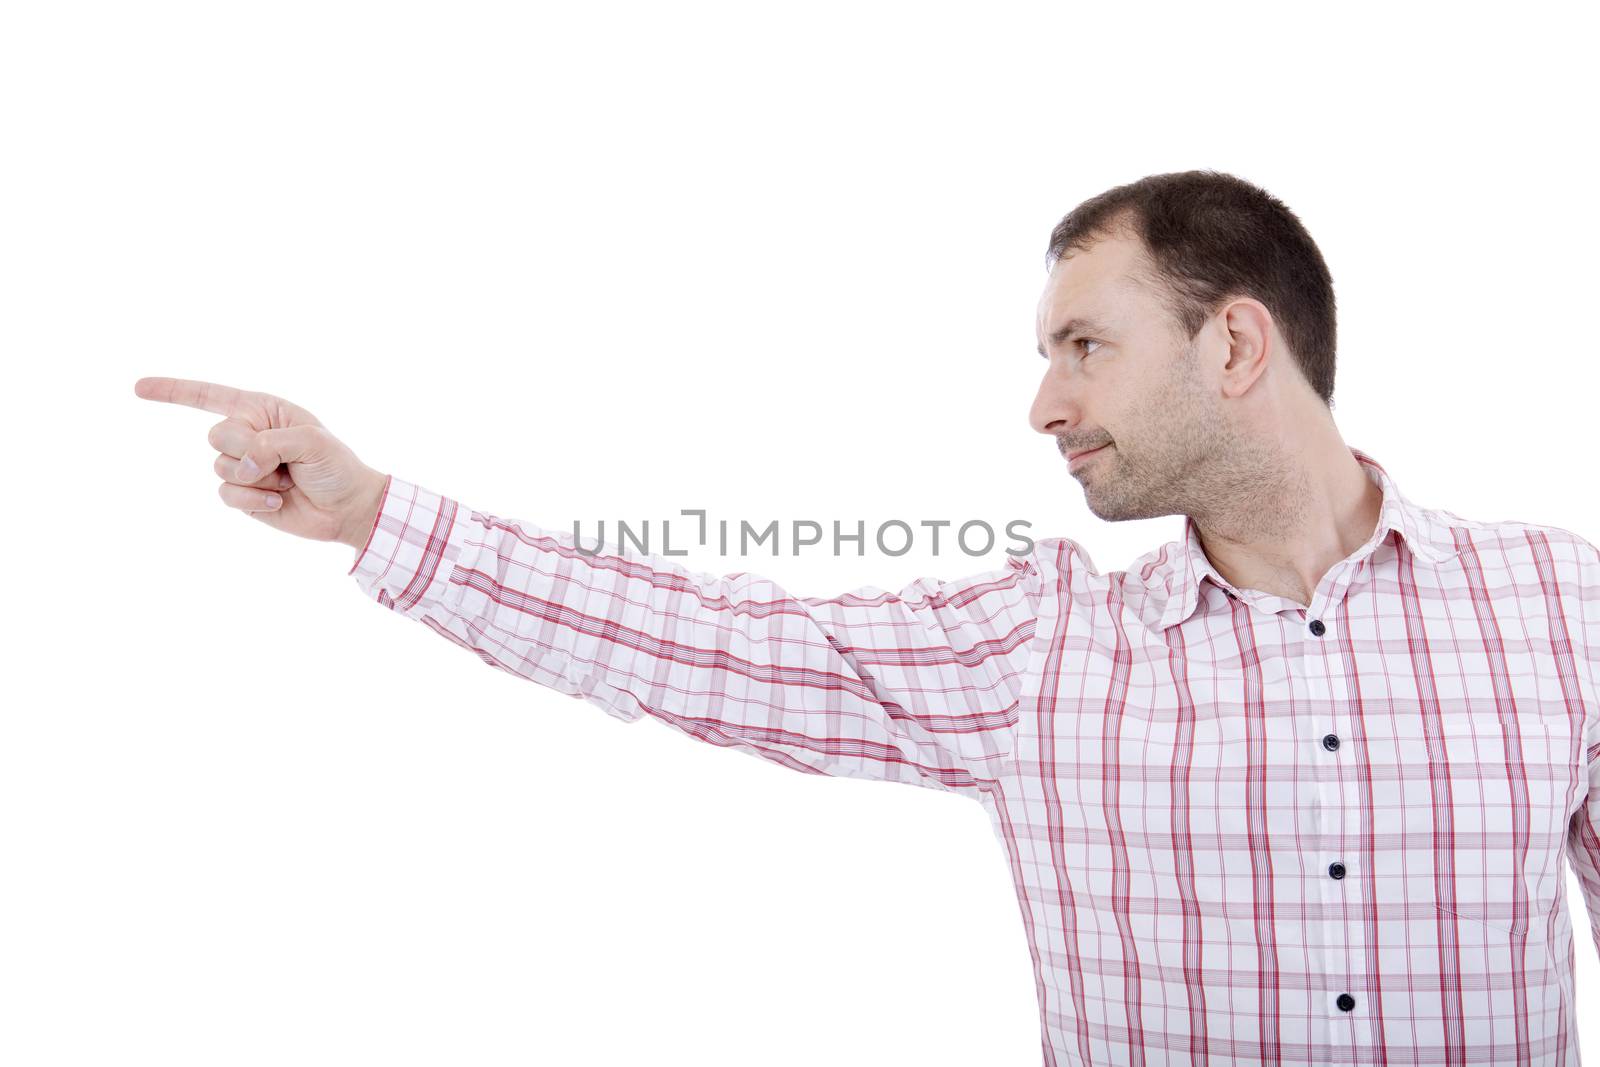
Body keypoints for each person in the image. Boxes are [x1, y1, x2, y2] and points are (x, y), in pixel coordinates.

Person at [136, 169, 1600, 1067]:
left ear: (1233, 340)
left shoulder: (1563, 603)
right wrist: (378, 513)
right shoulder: (1049, 648)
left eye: (1084, 344)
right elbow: (708, 641)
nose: (1045, 404)